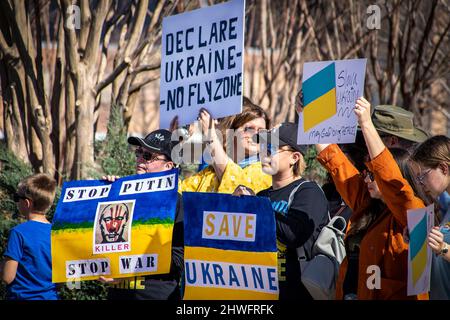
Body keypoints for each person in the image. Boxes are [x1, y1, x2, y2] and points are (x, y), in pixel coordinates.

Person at [315, 97, 429, 300]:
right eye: (367, 171)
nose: (366, 177)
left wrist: (366, 124)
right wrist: (309, 116)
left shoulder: (414, 210)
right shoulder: (367, 202)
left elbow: (390, 179)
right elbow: (336, 163)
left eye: (372, 173)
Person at [100, 129, 184, 300]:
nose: (139, 159)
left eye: (148, 156)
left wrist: (129, 269)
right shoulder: (120, 194)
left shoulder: (177, 202)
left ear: (168, 166)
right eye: (139, 152)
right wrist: (109, 194)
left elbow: (179, 259)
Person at [254, 122, 329, 300]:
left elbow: (293, 235)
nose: (264, 153)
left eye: (271, 148)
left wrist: (255, 207)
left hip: (297, 292)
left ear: (294, 157)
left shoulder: (308, 191)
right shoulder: (261, 195)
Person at [181, 97, 272, 194]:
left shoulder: (267, 171)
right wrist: (174, 141)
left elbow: (239, 187)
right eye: (249, 129)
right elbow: (177, 196)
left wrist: (210, 134)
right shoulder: (210, 172)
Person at [0, 173, 58, 300]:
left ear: (27, 203)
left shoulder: (18, 233)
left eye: (17, 198)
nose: (16, 201)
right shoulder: (57, 233)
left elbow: (7, 277)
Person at [411, 135, 450, 299]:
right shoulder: (445, 205)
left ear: (444, 168)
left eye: (423, 175)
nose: (420, 183)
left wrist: (444, 249)